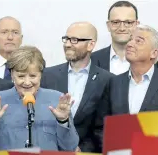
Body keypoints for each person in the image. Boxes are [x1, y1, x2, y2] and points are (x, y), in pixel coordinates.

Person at [96, 25, 158, 150]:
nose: (129, 44)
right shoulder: (113, 83)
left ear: (154, 53)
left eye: (138, 41)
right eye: (130, 39)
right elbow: (100, 126)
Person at [0, 46, 79, 151]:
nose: (27, 82)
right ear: (12, 75)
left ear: (41, 75)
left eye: (33, 76)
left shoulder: (57, 100)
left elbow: (70, 147)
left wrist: (63, 121)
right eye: (21, 76)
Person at [41, 22, 114, 153]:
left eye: (74, 40)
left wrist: (83, 149)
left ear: (91, 45)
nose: (68, 44)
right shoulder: (47, 75)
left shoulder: (107, 80)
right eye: (66, 39)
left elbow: (103, 127)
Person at [91, 1, 158, 75]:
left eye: (128, 22)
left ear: (136, 25)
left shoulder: (155, 61)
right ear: (108, 25)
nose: (122, 28)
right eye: (116, 22)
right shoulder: (91, 60)